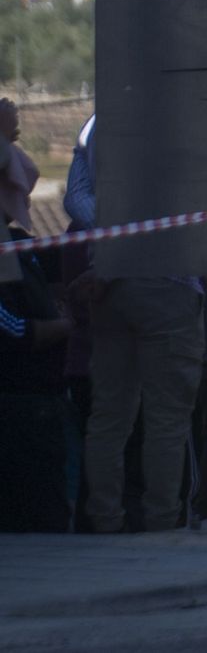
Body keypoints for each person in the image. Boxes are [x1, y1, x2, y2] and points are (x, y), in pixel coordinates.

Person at [66, 113, 206, 534]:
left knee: (109, 415)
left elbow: (76, 200)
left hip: (108, 284)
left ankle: (105, 521)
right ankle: (162, 526)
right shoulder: (186, 117)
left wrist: (114, 239)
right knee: (167, 417)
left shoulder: (96, 124)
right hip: (170, 280)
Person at [0, 97, 72, 533]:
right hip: (18, 404)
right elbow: (10, 329)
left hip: (38, 403)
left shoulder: (18, 248)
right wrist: (62, 327)